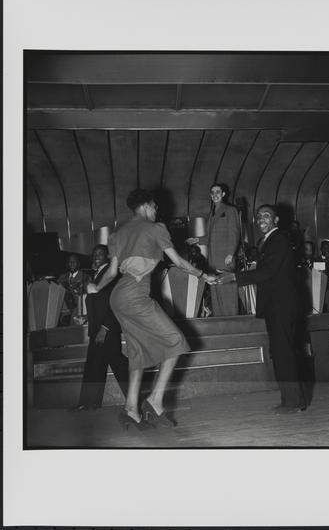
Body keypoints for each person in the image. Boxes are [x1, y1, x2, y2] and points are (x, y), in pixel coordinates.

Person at [87, 189, 216, 430]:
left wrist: (96, 287)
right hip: (136, 295)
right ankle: (155, 401)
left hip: (118, 297)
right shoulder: (156, 228)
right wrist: (203, 275)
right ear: (146, 206)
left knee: (137, 353)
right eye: (155, 206)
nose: (157, 210)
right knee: (176, 341)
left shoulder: (117, 234)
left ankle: (131, 409)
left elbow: (112, 273)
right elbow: (178, 262)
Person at [217, 204, 308, 414]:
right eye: (258, 216)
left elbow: (268, 272)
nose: (261, 219)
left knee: (283, 353)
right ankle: (294, 401)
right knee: (281, 352)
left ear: (276, 220)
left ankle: (293, 403)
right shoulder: (267, 241)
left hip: (281, 305)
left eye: (266, 215)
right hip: (276, 305)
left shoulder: (279, 239)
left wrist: (234, 277)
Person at [72, 245, 129, 411]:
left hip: (105, 329)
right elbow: (99, 305)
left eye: (100, 254)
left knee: (113, 364)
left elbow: (115, 304)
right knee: (97, 365)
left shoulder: (110, 274)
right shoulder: (98, 275)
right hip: (98, 329)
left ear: (108, 257)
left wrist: (105, 327)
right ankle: (88, 403)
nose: (96, 256)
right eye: (94, 254)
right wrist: (85, 318)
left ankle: (136, 398)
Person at [186, 183, 241, 316]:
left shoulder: (230, 210)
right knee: (216, 292)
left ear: (223, 194)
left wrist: (230, 253)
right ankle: (220, 320)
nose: (215, 194)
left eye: (218, 192)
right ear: (210, 196)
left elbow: (234, 233)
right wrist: (197, 240)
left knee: (227, 291)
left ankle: (232, 320)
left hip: (225, 258)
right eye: (213, 192)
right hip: (213, 260)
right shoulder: (212, 214)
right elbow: (210, 237)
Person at [58, 254, 90, 325]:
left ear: (79, 264)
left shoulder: (86, 278)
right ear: (67, 264)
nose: (72, 264)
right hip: (64, 314)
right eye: (70, 262)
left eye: (74, 262)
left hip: (80, 313)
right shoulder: (61, 278)